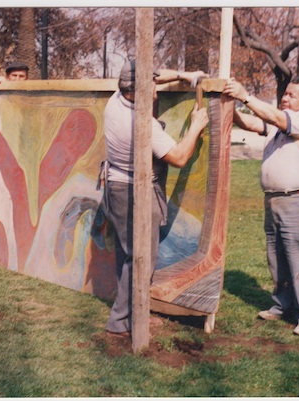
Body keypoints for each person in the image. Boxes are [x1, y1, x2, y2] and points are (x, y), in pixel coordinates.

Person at [100, 59, 209, 337]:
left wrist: (186, 75)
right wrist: (196, 125)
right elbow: (180, 157)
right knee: (141, 259)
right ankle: (122, 322)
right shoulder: (140, 124)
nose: (157, 91)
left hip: (115, 186)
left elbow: (155, 76)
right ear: (135, 91)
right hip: (134, 192)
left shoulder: (116, 99)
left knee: (127, 254)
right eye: (151, 87)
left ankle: (134, 312)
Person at [223, 76, 299, 336]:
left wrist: (245, 95)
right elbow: (254, 122)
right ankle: (283, 305)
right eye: (285, 93)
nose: (285, 98)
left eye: (291, 95)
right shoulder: (282, 124)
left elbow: (275, 118)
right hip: (275, 201)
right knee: (277, 258)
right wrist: (226, 107)